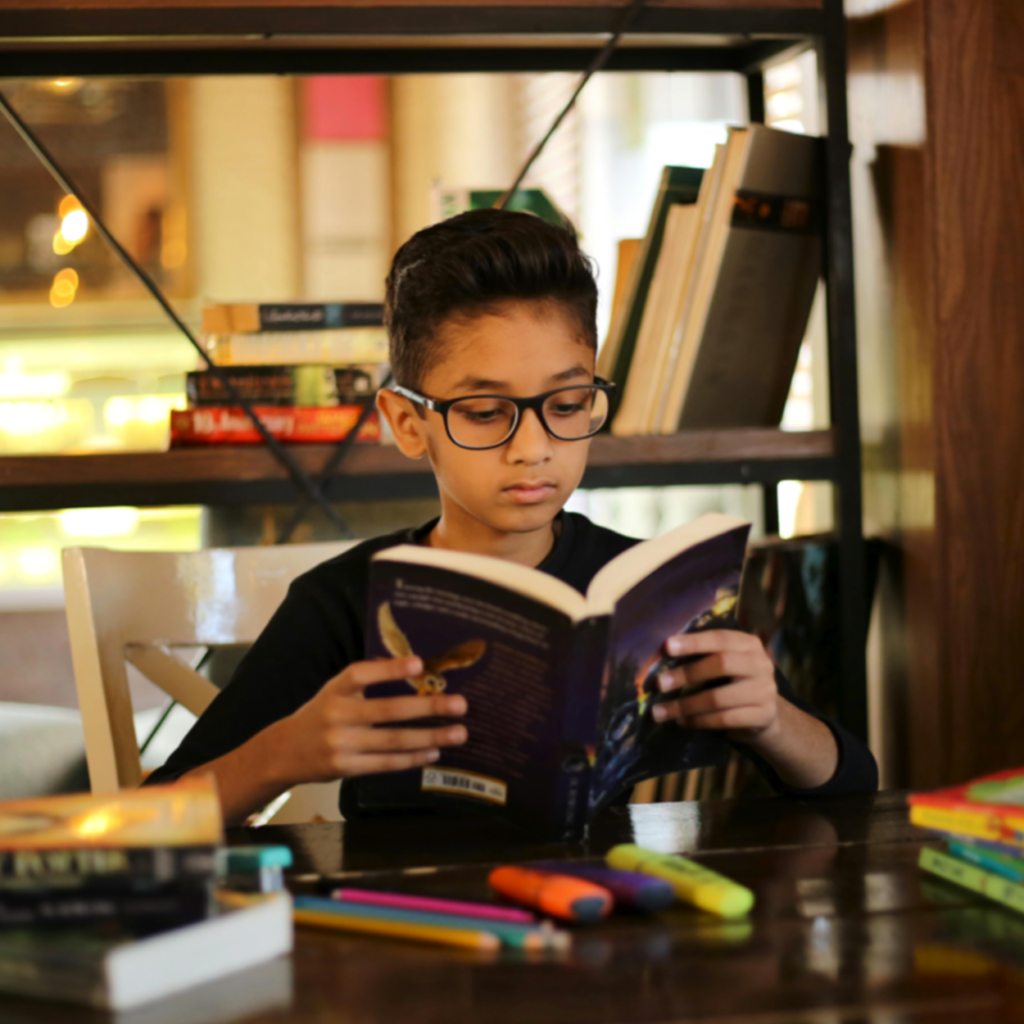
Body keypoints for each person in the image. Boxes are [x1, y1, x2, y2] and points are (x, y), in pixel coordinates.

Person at [147, 209, 877, 824]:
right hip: (407, 937)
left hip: (606, 930)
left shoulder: (646, 591)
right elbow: (152, 816)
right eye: (487, 412)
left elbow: (851, 785)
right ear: (408, 423)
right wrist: (286, 752)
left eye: (566, 406)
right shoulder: (346, 601)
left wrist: (772, 718)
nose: (533, 449)